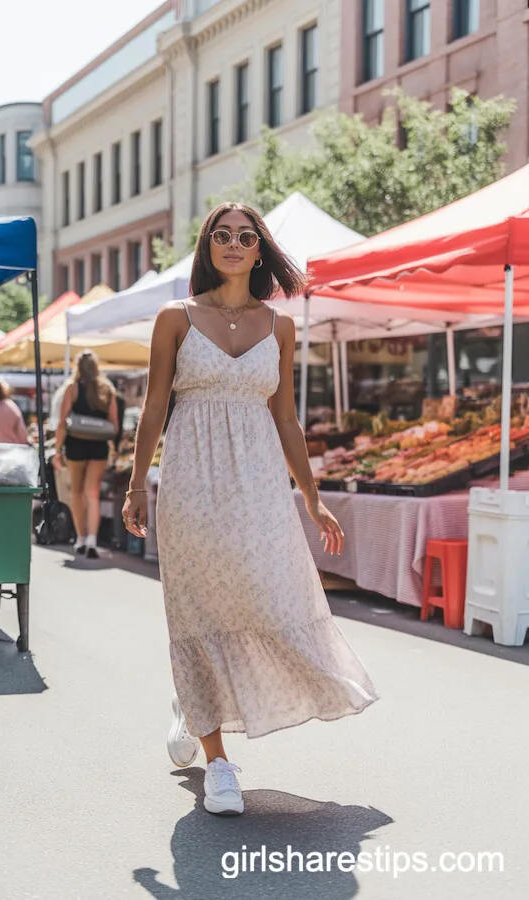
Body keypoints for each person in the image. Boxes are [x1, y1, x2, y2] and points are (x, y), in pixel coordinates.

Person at [122, 202, 379, 816]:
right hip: (190, 483)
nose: (233, 244)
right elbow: (155, 406)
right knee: (201, 608)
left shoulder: (279, 326)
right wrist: (136, 483)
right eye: (222, 234)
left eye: (245, 236)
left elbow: (285, 417)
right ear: (207, 245)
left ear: (258, 250)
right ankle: (218, 764)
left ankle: (192, 705)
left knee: (268, 595)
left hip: (260, 484)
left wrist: (312, 498)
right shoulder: (174, 319)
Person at [53, 350, 118, 559]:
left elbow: (62, 422)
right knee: (92, 493)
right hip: (99, 446)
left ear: (77, 367)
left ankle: (80, 538)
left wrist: (57, 450)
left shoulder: (72, 388)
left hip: (76, 445)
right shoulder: (107, 389)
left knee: (76, 492)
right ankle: (92, 540)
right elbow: (114, 426)